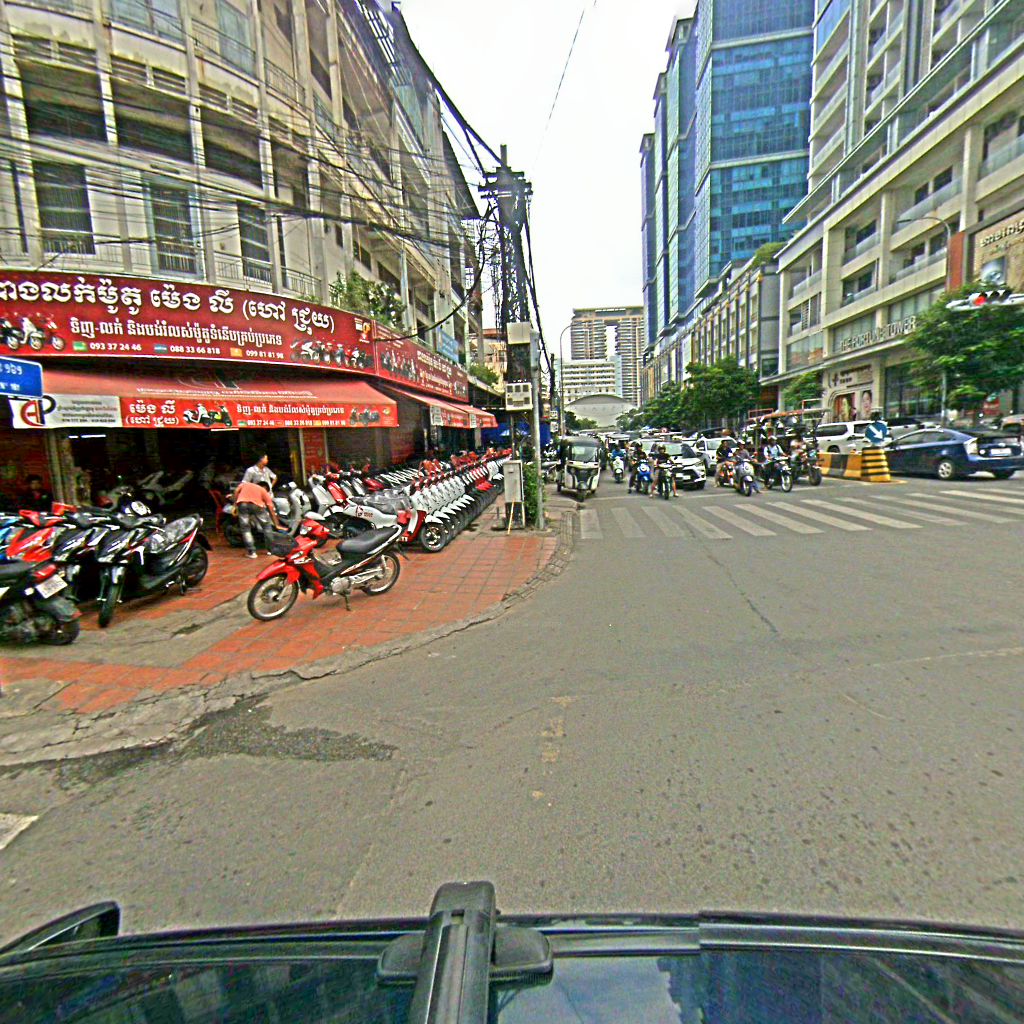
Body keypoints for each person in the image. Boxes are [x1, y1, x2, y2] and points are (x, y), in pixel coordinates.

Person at [232, 478, 282, 558]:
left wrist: (235, 505)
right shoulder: (263, 491)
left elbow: (236, 491)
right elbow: (271, 508)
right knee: (266, 527)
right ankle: (271, 550)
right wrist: (276, 524)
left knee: (246, 529)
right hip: (257, 506)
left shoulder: (246, 484)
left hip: (242, 504)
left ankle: (252, 552)